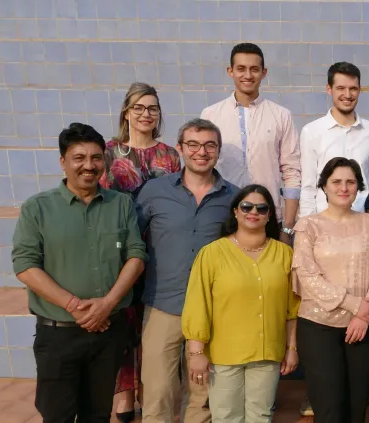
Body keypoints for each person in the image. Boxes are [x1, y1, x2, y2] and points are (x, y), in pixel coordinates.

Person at [11, 122, 146, 422]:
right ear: (63, 162)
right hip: (59, 334)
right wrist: (74, 306)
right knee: (57, 416)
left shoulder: (120, 204)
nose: (89, 165)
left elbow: (136, 255)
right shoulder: (37, 208)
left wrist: (107, 304)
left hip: (108, 331)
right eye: (79, 158)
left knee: (97, 415)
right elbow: (25, 265)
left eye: (96, 158)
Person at [137, 118, 238, 423]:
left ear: (218, 150)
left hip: (212, 310)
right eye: (193, 144)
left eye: (209, 145)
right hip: (163, 304)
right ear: (179, 148)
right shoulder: (154, 191)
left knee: (202, 396)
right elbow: (133, 242)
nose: (201, 152)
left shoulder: (234, 198)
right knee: (158, 393)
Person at [98, 81, 181, 423]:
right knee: (125, 323)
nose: (146, 114)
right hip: (121, 250)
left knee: (152, 326)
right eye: (139, 107)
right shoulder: (108, 152)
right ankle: (124, 401)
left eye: (153, 108)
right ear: (126, 112)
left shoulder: (169, 155)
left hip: (160, 250)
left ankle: (152, 397)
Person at [183, 184, 300, 423]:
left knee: (261, 416)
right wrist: (196, 352)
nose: (253, 212)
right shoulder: (212, 253)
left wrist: (292, 349)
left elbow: (292, 309)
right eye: (246, 207)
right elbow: (198, 304)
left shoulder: (284, 254)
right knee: (226, 416)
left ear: (269, 215)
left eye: (261, 208)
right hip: (224, 354)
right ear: (235, 212)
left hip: (267, 352)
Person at [292, 157, 369, 423]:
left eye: (350, 182)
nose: (344, 187)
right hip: (318, 326)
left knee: (356, 406)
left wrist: (364, 314)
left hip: (364, 326)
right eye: (336, 181)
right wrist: (355, 305)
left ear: (359, 186)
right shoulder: (308, 225)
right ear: (324, 186)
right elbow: (307, 276)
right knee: (329, 408)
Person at [201, 42, 301, 244]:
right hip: (222, 216)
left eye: (254, 69)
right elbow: (202, 168)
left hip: (268, 217)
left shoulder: (281, 116)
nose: (248, 75)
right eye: (241, 68)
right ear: (230, 71)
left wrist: (288, 227)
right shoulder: (211, 115)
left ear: (264, 73)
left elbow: (292, 172)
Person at [300, 62, 369, 217]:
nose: (348, 94)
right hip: (323, 221)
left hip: (362, 219)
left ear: (359, 90)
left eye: (353, 88)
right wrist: (306, 224)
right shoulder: (311, 131)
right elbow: (308, 186)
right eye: (340, 88)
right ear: (329, 89)